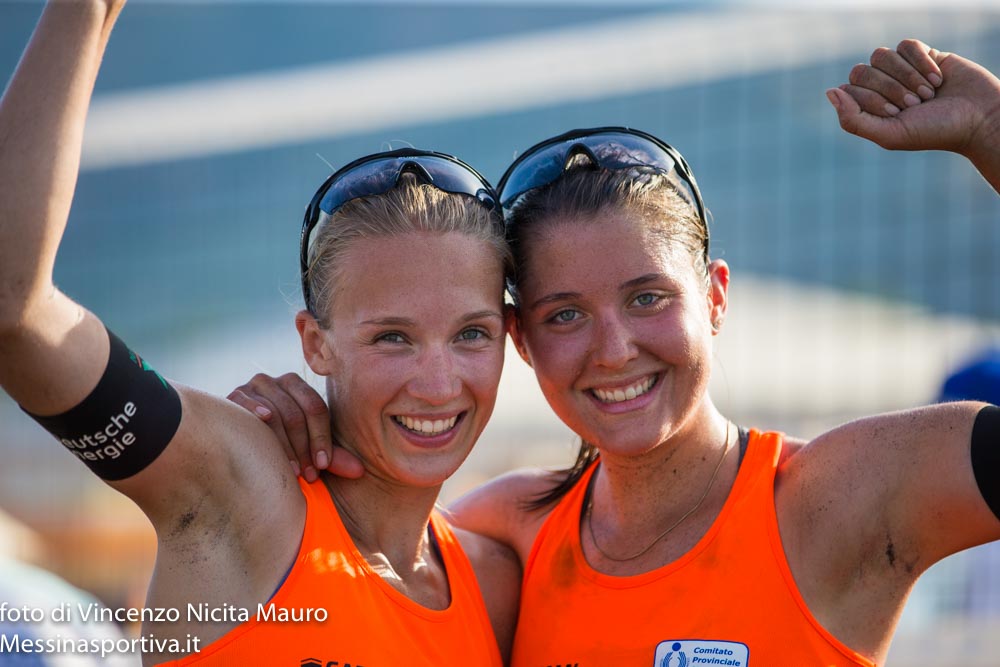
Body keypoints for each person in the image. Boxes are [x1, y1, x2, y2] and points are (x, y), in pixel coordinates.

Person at [234, 39, 1000, 665]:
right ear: (523, 341)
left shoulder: (839, 499)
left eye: (647, 297)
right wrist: (277, 444)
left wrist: (994, 130)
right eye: (565, 314)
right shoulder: (503, 540)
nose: (614, 348)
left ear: (716, 297)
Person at [0, 1, 518, 665]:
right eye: (392, 337)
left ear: (508, 335)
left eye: (471, 334)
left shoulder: (494, 581)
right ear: (314, 342)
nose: (439, 381)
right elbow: (16, 313)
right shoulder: (238, 491)